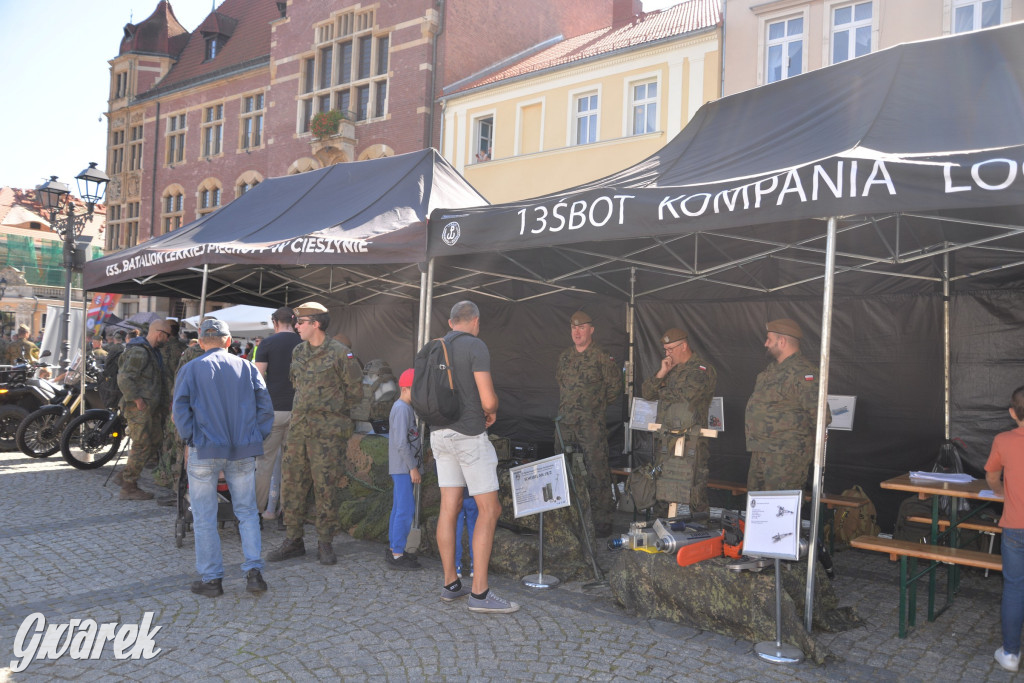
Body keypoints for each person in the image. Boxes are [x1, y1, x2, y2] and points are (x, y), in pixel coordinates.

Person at [173, 318, 274, 597]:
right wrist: (255, 438)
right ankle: (254, 573)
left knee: (205, 516)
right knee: (247, 512)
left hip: (204, 449)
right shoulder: (247, 367)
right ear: (228, 341)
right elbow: (265, 408)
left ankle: (212, 580)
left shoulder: (191, 369)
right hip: (242, 449)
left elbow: (180, 411)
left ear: (202, 342)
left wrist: (193, 439)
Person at [433, 300, 519, 614]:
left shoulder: (435, 346)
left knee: (448, 506)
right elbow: (488, 399)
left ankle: (450, 584)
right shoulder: (475, 346)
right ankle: (480, 594)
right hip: (469, 435)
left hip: (439, 434)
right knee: (490, 508)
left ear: (450, 321)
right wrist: (492, 410)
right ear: (476, 321)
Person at [267, 302, 362, 566]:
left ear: (316, 324)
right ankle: (294, 540)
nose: (296, 326)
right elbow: (296, 384)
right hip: (298, 431)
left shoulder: (342, 354)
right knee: (293, 485)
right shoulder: (298, 351)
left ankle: (325, 542)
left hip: (328, 434)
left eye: (301, 322)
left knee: (325, 488)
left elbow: (355, 393)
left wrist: (330, 412)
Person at [554, 311, 620, 536]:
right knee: (562, 471)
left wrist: (593, 407)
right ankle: (567, 521)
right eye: (574, 328)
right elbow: (561, 385)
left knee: (597, 473)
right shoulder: (565, 357)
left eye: (582, 327)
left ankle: (601, 524)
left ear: (591, 330)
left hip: (591, 426)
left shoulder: (602, 356)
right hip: (565, 424)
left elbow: (614, 390)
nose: (577, 332)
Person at [744, 318, 828, 492]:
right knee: (757, 509)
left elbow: (820, 417)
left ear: (781, 341)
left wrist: (800, 447)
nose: (765, 343)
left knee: (780, 509)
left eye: (769, 339)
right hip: (761, 451)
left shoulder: (804, 373)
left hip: (786, 457)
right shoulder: (770, 371)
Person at [641, 327, 717, 513]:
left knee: (695, 488)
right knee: (662, 485)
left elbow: (686, 396)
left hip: (692, 441)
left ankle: (701, 534)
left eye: (671, 349)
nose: (667, 354)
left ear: (683, 346)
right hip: (666, 439)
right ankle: (662, 530)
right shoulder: (670, 370)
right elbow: (647, 393)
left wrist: (663, 390)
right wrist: (662, 373)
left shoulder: (702, 369)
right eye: (665, 350)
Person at [986, 386, 1024, 672]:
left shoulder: (1003, 440)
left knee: (1014, 588)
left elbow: (992, 477)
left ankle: (1010, 654)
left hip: (1015, 526)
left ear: (1012, 412)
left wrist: (1002, 492)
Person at [253, 307, 302, 520]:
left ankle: (257, 511)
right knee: (292, 465)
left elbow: (257, 378)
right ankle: (287, 513)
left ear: (275, 322)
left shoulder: (267, 343)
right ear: (294, 321)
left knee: (264, 464)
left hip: (273, 410)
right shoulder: (304, 343)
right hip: (298, 410)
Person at [115, 319, 171, 500]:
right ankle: (129, 487)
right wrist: (137, 399)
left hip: (150, 406)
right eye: (168, 335)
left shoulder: (151, 351)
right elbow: (124, 378)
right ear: (160, 333)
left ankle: (125, 475)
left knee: (154, 440)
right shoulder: (140, 351)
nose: (168, 340)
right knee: (141, 444)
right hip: (139, 407)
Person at [387, 368, 423, 570]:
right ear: (406, 388)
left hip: (401, 467)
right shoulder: (402, 409)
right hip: (403, 467)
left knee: (399, 508)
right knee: (406, 510)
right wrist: (413, 468)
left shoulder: (403, 407)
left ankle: (394, 548)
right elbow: (402, 443)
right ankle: (398, 553)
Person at [154, 320, 187, 490]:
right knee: (175, 440)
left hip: (162, 395)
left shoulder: (159, 347)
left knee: (166, 438)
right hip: (176, 398)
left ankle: (163, 474)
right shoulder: (183, 349)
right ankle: (172, 477)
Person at [454, 489, 478, 578]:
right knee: (474, 532)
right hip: (472, 495)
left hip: (455, 495)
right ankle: (475, 567)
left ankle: (457, 566)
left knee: (456, 532)